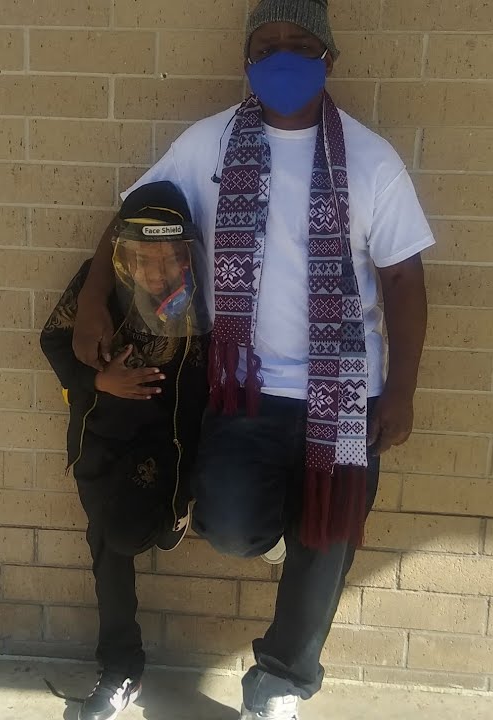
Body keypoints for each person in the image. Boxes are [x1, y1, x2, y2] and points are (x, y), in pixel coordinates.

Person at [68, 2, 435, 718]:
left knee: (327, 544)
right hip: (245, 389)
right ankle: (278, 537)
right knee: (232, 526)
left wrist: (401, 392)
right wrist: (91, 301)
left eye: (301, 44)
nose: (284, 57)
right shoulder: (207, 144)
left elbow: (402, 280)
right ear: (246, 60)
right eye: (268, 45)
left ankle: (280, 684)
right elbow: (133, 215)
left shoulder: (372, 160)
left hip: (343, 394)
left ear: (330, 59)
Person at [39, 181, 212, 720]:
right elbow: (53, 340)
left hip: (176, 444)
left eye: (170, 258)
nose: (159, 272)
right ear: (124, 257)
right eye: (145, 259)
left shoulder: (203, 293)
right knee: (113, 541)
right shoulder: (100, 293)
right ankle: (120, 669)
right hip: (107, 442)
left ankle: (177, 515)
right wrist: (99, 381)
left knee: (161, 524)